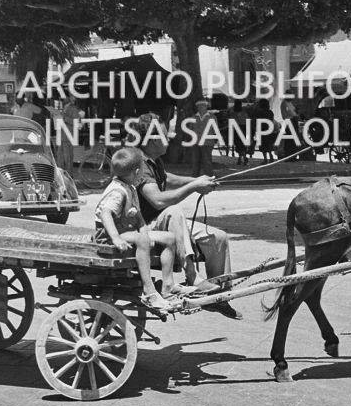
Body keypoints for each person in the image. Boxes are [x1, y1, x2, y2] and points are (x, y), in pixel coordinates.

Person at [130, 112, 243, 319]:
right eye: (165, 135)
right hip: (144, 227)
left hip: (162, 222)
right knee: (173, 211)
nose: (170, 138)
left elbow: (167, 179)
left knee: (218, 238)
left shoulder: (155, 161)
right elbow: (158, 200)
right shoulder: (139, 164)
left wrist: (197, 180)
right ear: (154, 139)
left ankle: (219, 295)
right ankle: (193, 277)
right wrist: (193, 186)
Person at [94, 148, 180, 312]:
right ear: (137, 171)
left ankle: (168, 286)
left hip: (126, 230)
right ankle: (149, 290)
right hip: (110, 234)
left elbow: (138, 216)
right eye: (143, 170)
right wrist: (116, 239)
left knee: (170, 238)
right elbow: (105, 214)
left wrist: (144, 232)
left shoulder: (131, 187)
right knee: (142, 240)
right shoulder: (118, 191)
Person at [230, 99, 251, 165]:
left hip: (236, 129)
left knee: (238, 144)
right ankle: (244, 158)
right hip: (244, 129)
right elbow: (248, 121)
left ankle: (240, 158)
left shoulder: (232, 113)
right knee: (244, 145)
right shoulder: (244, 113)